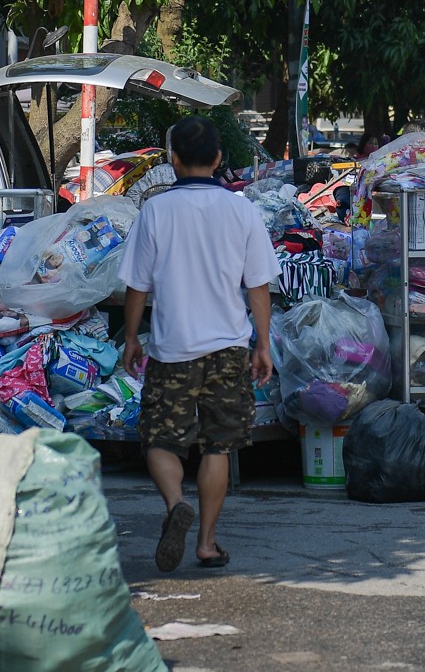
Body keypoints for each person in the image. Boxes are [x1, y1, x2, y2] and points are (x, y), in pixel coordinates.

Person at [119, 116, 277, 573]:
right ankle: (207, 543)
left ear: (172, 160)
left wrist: (131, 338)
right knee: (218, 446)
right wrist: (262, 344)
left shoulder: (155, 211)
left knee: (158, 439)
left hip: (172, 348)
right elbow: (258, 287)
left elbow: (136, 287)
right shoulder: (242, 210)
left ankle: (175, 505)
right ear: (218, 158)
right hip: (228, 347)